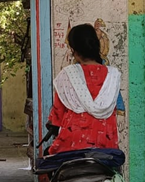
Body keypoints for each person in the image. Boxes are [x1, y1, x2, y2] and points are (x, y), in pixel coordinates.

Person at [47, 24, 121, 155]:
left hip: (71, 148)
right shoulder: (113, 76)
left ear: (74, 50)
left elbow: (57, 116)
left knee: (47, 163)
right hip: (107, 149)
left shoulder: (67, 74)